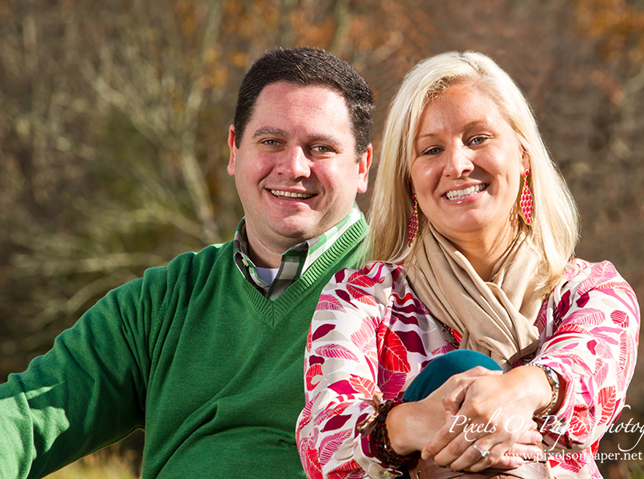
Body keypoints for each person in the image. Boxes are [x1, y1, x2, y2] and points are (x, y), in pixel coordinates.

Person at [0, 47, 374, 478]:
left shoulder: (410, 286)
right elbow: (25, 417)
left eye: (321, 148)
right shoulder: (161, 303)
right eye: (271, 141)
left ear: (362, 166)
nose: (293, 167)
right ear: (234, 150)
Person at [297, 51, 640, 479]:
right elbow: (324, 443)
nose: (457, 165)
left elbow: (587, 383)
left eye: (478, 139)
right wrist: (413, 424)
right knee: (453, 372)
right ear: (410, 180)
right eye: (432, 149)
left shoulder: (592, 293)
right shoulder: (363, 297)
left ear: (523, 155)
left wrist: (515, 392)